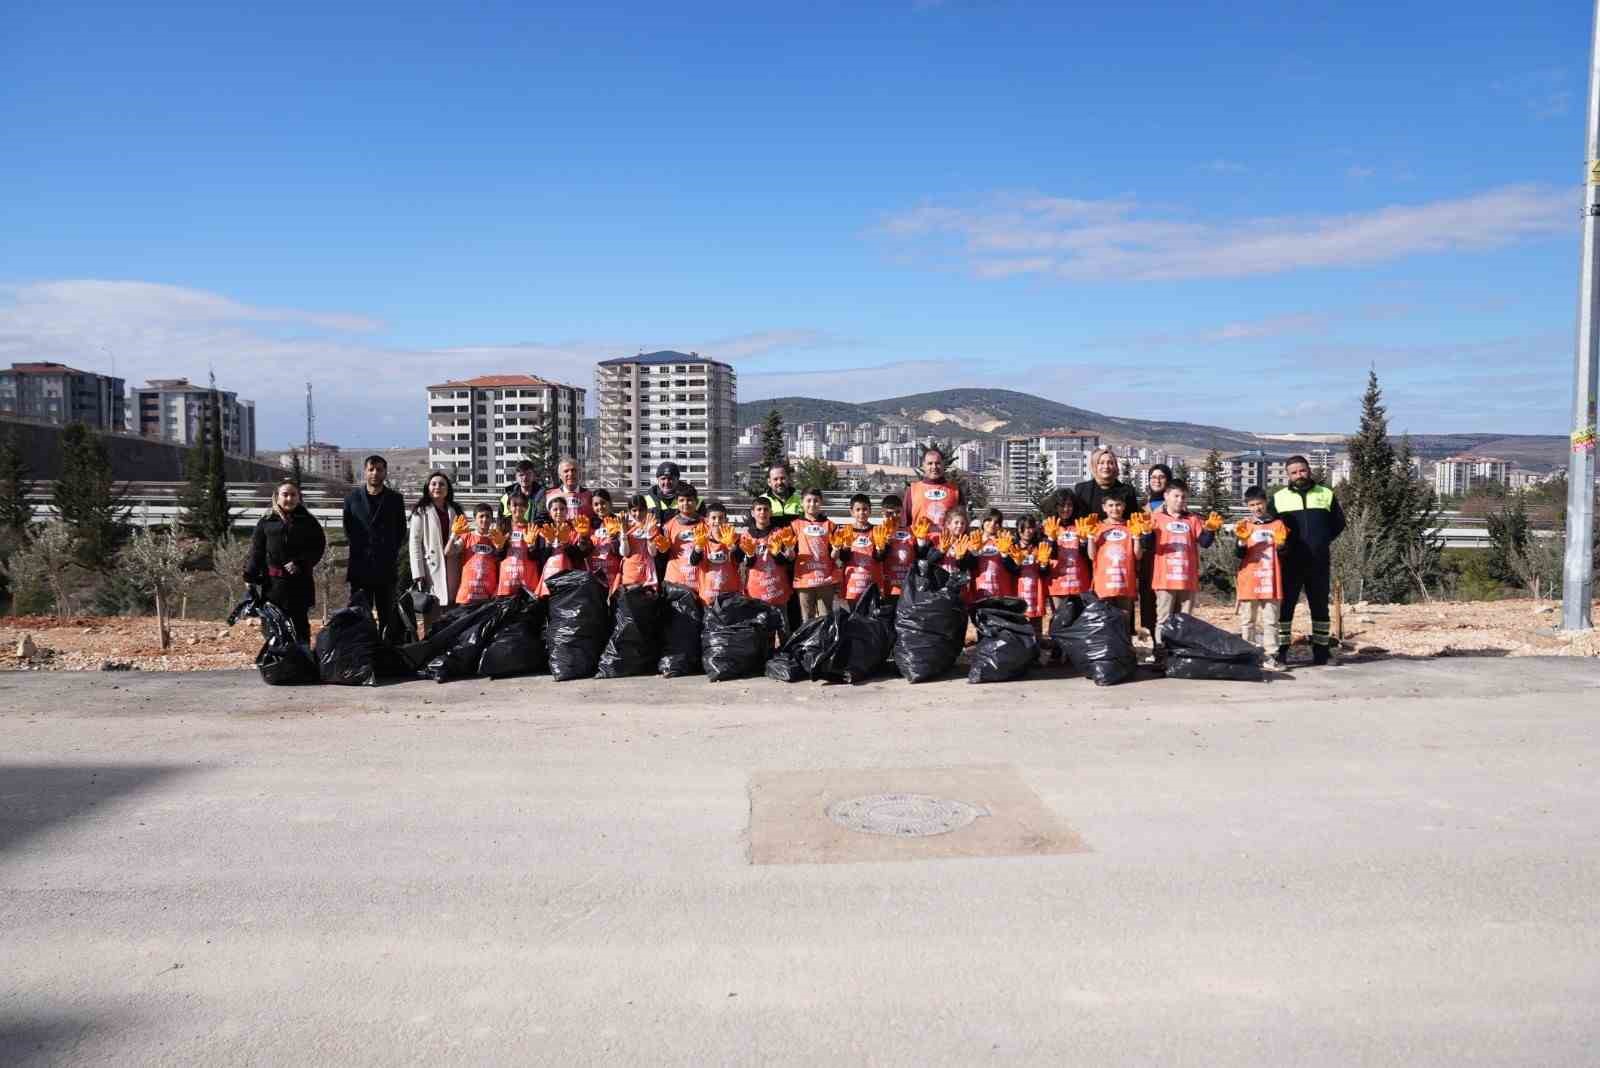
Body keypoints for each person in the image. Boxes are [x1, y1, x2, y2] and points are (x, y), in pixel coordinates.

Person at [1273, 455, 1346, 666]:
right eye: (1294, 472)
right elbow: (1270, 526)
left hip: (1318, 562)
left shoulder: (1326, 494)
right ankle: (1281, 653)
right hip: (1289, 562)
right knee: (1285, 608)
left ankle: (1322, 653)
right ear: (1288, 475)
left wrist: (1321, 541)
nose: (1299, 475)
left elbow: (1338, 524)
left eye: (1302, 471)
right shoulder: (1279, 498)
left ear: (1309, 471)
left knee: (1320, 607)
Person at [1142, 479, 1222, 665]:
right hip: (1164, 579)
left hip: (1187, 579)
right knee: (1163, 619)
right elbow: (1149, 546)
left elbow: (1204, 543)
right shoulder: (1156, 518)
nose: (1180, 500)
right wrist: (1145, 533)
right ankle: (1161, 654)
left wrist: (1210, 530)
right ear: (1166, 496)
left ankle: (1181, 653)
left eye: (1183, 496)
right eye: (1176, 496)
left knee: (1185, 620)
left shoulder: (1192, 519)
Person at [244, 479, 326, 644]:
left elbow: (318, 547)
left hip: (299, 584)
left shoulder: (308, 522)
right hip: (273, 587)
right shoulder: (266, 522)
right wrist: (249, 576)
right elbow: (257, 551)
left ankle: (302, 663)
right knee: (273, 628)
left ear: (299, 497)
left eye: (293, 495)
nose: (289, 499)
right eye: (285, 494)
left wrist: (301, 562)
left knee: (300, 627)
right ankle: (277, 666)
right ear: (277, 496)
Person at [343, 454, 407, 643]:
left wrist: (386, 550)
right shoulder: (352, 499)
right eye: (371, 469)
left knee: (387, 613)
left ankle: (387, 653)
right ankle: (363, 652)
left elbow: (400, 530)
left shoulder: (395, 499)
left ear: (385, 472)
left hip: (385, 567)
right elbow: (349, 529)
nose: (375, 473)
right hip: (360, 568)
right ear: (365, 472)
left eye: (379, 469)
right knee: (360, 614)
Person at [1234, 486, 1290, 670]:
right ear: (1247, 506)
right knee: (1248, 620)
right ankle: (1248, 654)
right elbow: (1238, 554)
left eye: (1259, 503)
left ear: (1266, 502)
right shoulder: (1244, 525)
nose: (1256, 508)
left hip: (1270, 580)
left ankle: (1271, 656)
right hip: (1249, 580)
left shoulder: (1278, 524)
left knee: (1271, 620)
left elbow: (1286, 553)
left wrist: (1282, 546)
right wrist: (1241, 541)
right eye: (1252, 505)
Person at [407, 471, 465, 628]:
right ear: (427, 487)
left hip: (453, 563)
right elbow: (414, 544)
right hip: (431, 568)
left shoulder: (455, 510)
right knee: (432, 612)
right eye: (433, 484)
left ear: (448, 489)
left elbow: (463, 537)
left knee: (452, 611)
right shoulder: (421, 511)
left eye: (442, 484)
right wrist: (418, 573)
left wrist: (456, 548)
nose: (437, 487)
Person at [1088, 495, 1144, 623]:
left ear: (1124, 506)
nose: (1115, 508)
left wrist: (1136, 538)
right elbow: (1092, 556)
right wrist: (1090, 537)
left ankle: (1124, 643)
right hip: (1104, 583)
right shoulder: (1097, 527)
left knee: (1124, 620)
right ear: (1104, 508)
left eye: (1118, 505)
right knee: (1104, 621)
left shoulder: (1131, 526)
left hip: (1125, 583)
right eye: (1111, 505)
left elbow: (1138, 555)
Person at [791, 487, 841, 621]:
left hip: (825, 579)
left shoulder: (830, 525)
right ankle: (809, 642)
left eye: (816, 501)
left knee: (826, 617)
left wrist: (836, 549)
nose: (812, 504)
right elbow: (791, 555)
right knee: (807, 618)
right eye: (808, 500)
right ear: (802, 502)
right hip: (804, 580)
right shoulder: (794, 525)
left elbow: (834, 556)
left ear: (821, 502)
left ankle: (825, 642)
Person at [1043, 493, 1089, 633]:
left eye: (1069, 505)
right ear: (1055, 507)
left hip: (1079, 581)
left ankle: (1073, 652)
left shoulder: (1080, 525)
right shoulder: (1048, 526)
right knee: (1059, 617)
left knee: (1077, 618)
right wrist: (1051, 539)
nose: (1066, 509)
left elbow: (1089, 555)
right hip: (1057, 582)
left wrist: (1083, 541)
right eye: (1062, 505)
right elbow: (1047, 555)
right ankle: (1057, 649)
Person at [742, 497, 796, 615]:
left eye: (766, 509)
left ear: (771, 512)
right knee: (761, 628)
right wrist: (750, 555)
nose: (762, 512)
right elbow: (747, 565)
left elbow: (787, 561)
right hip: (756, 590)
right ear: (752, 513)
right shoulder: (746, 535)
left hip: (777, 589)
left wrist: (778, 554)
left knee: (782, 627)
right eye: (759, 509)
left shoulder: (779, 533)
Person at [1137, 463, 1173, 639]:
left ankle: (1169, 641)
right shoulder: (1144, 506)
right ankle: (1151, 640)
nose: (1157, 480)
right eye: (1153, 477)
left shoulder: (1174, 505)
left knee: (1167, 604)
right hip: (1147, 560)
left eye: (1161, 477)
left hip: (1168, 560)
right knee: (1148, 601)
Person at [531, 495, 592, 596]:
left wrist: (569, 543)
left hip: (569, 581)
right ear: (550, 513)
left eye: (562, 509)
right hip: (547, 580)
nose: (559, 512)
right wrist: (548, 545)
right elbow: (540, 559)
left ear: (567, 511)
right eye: (555, 509)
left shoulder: (575, 530)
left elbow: (580, 556)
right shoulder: (543, 531)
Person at [903, 446, 962, 547]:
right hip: (919, 547)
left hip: (948, 547)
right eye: (930, 463)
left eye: (938, 463)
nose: (934, 467)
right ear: (923, 466)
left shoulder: (955, 491)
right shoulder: (912, 490)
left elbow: (963, 522)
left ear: (943, 465)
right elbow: (905, 522)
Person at [692, 500, 746, 605]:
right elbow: (693, 562)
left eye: (721, 518)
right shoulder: (702, 539)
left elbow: (740, 560)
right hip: (707, 596)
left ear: (726, 520)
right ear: (707, 520)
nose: (717, 521)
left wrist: (732, 546)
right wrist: (698, 547)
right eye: (713, 518)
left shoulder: (735, 538)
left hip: (730, 596)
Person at [838, 494, 887, 609]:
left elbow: (880, 558)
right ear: (852, 512)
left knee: (871, 618)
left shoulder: (877, 531)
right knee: (854, 617)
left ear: (870, 510)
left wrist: (881, 549)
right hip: (853, 584)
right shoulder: (845, 531)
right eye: (858, 510)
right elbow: (843, 559)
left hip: (872, 582)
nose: (861, 513)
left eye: (865, 509)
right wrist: (845, 548)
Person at [1014, 515, 1052, 652]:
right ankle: (1021, 652)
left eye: (1030, 528)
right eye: (1023, 528)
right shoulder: (1012, 546)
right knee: (1020, 622)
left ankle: (1036, 652)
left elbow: (1045, 572)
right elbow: (1010, 571)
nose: (1027, 531)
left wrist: (1043, 564)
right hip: (1018, 591)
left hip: (1037, 590)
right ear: (1018, 530)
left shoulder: (1040, 546)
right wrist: (1015, 563)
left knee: (1036, 623)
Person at [1072, 447, 1140, 523]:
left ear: (1115, 466)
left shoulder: (1127, 491)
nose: (1106, 466)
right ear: (1094, 466)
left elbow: (1133, 520)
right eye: (1101, 463)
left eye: (1110, 463)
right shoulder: (1081, 489)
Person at [455, 505, 505, 606]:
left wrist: (500, 548)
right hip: (467, 594)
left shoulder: (496, 538)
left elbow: (501, 563)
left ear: (492, 519)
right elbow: (448, 551)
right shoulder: (467, 536)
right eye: (481, 516)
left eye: (488, 516)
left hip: (488, 595)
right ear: (475, 519)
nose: (484, 519)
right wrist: (453, 535)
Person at [495, 490, 539, 597]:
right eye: (514, 505)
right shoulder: (503, 526)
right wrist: (499, 548)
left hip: (527, 582)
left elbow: (535, 557)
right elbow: (498, 557)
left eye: (522, 505)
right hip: (507, 581)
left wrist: (531, 547)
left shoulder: (532, 527)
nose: (518, 508)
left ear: (526, 507)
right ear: (509, 507)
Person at [971, 508, 1021, 600]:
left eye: (996, 522)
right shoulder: (973, 540)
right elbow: (969, 566)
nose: (992, 524)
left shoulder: (1007, 541)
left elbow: (1015, 569)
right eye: (989, 520)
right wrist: (975, 552)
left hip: (1002, 593)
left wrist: (1005, 555)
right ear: (982, 522)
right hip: (979, 591)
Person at [661, 483, 704, 588]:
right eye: (681, 500)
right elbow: (663, 554)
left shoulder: (706, 524)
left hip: (700, 581)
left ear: (696, 502)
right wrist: (662, 550)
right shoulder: (668, 526)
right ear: (677, 503)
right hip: (675, 581)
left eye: (689, 500)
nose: (685, 503)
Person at [617, 495, 663, 591]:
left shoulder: (652, 525)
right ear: (629, 511)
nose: (638, 514)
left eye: (641, 510)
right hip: (630, 570)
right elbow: (624, 553)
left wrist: (650, 534)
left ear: (646, 510)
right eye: (634, 510)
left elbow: (653, 553)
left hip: (647, 571)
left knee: (646, 600)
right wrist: (624, 533)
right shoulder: (625, 525)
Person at [878, 494, 917, 601]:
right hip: (887, 587)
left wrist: (922, 542)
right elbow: (878, 558)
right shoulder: (877, 531)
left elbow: (919, 555)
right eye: (889, 513)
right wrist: (886, 541)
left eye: (898, 512)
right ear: (883, 513)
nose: (894, 516)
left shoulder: (912, 531)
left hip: (907, 586)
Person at [586, 489, 624, 592]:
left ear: (610, 503)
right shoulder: (588, 524)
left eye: (603, 503)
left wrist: (615, 539)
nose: (600, 507)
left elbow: (624, 550)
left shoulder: (619, 521)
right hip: (594, 571)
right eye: (596, 504)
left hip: (615, 572)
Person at [539, 456, 595, 523]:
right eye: (566, 471)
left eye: (573, 470)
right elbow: (542, 519)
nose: (570, 474)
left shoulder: (590, 496)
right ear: (560, 476)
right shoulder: (549, 495)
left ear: (579, 473)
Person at [501, 460, 543, 527]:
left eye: (528, 474)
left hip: (534, 533)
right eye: (521, 475)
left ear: (534, 475)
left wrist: (529, 526)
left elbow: (543, 518)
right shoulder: (508, 495)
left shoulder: (542, 495)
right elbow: (502, 518)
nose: (525, 478)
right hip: (512, 533)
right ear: (516, 477)